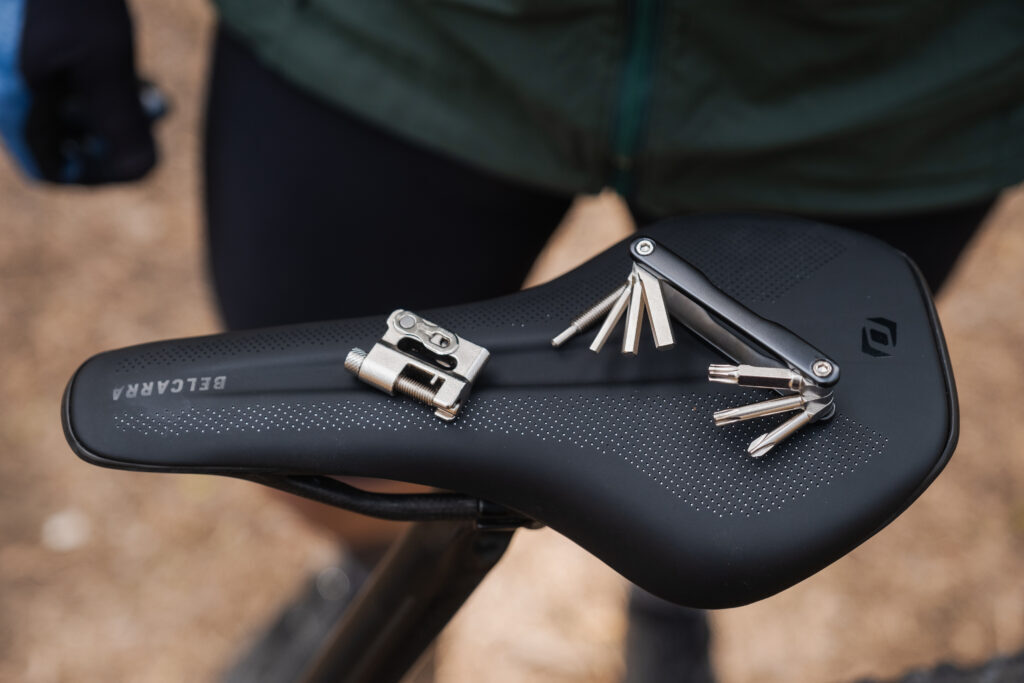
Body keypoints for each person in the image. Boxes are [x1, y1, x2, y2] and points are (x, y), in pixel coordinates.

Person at [3, 1, 1022, 681]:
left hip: (892, 87)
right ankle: (377, 573)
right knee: (320, 408)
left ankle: (663, 594)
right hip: (401, 33)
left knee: (716, 470)